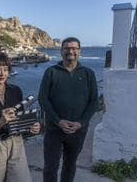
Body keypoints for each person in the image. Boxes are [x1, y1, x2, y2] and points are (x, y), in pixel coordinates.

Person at [38, 37, 98, 182]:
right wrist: (58, 121)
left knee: (70, 165)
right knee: (50, 167)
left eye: (74, 48)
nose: (70, 51)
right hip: (54, 129)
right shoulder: (51, 72)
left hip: (78, 131)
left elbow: (93, 101)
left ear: (79, 51)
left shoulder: (88, 73)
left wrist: (81, 123)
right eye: (67, 48)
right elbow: (43, 99)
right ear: (61, 51)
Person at [0, 50, 40, 182]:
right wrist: (2, 120)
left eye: (5, 69)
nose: (2, 73)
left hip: (16, 142)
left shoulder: (16, 91)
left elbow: (19, 119)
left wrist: (32, 127)